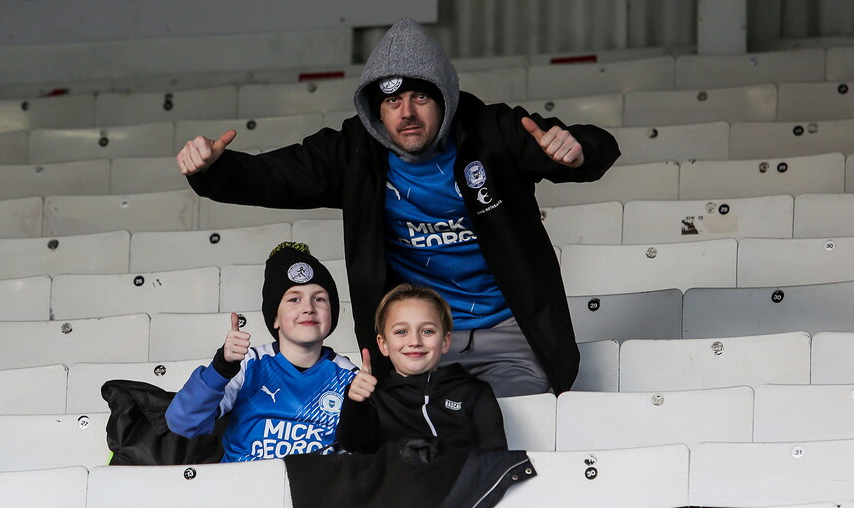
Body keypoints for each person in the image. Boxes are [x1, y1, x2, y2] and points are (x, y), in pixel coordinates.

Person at [176, 17, 621, 397]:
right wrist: (211, 170)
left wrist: (579, 150)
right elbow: (273, 177)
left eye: (420, 98)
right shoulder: (354, 152)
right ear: (377, 111)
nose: (406, 112)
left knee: (512, 427)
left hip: (508, 332)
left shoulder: (494, 131)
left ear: (445, 98)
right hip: (416, 343)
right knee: (419, 441)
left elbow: (585, 147)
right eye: (392, 101)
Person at [165, 242, 357, 462]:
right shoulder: (248, 364)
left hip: (313, 490)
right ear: (274, 317)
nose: (308, 308)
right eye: (294, 299)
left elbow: (357, 454)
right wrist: (221, 367)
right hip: (241, 488)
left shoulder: (349, 376)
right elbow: (182, 422)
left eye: (320, 298)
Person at [335, 283, 506, 454]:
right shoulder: (375, 398)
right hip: (397, 480)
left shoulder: (473, 392)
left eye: (427, 331)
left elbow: (496, 458)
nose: (415, 341)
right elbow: (352, 443)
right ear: (383, 344)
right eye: (401, 332)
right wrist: (354, 402)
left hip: (462, 479)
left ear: (445, 341)